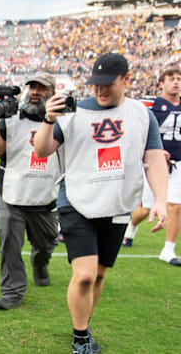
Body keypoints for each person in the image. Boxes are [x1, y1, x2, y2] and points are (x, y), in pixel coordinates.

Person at [34, 53, 168, 354]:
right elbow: (42, 151)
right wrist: (48, 120)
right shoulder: (72, 113)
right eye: (96, 84)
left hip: (118, 202)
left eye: (108, 84)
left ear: (126, 80)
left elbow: (154, 158)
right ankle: (80, 337)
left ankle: (82, 323)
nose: (100, 90)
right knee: (83, 275)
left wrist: (159, 199)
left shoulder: (142, 114)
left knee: (100, 274)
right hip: (76, 200)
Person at [0, 73, 61, 310]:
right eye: (33, 87)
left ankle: (40, 263)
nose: (36, 92)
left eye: (42, 88)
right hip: (12, 191)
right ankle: (12, 291)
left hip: (46, 195)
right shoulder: (11, 118)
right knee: (8, 240)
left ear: (53, 93)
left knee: (47, 242)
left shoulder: (63, 121)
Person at [123, 68, 181, 266]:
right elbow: (133, 124)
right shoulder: (149, 103)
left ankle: (168, 249)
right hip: (154, 163)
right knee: (146, 209)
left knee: (175, 205)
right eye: (171, 79)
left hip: (178, 163)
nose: (176, 82)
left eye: (179, 79)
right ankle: (131, 227)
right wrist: (155, 150)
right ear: (161, 83)